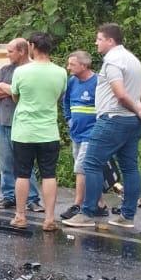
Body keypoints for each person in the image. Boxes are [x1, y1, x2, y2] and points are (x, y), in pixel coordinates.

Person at [64, 23, 141, 229]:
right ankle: (127, 216)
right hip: (133, 121)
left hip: (113, 118)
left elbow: (120, 94)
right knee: (130, 167)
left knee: (91, 163)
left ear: (110, 41)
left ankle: (87, 213)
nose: (96, 43)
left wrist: (138, 109)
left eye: (99, 39)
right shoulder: (133, 60)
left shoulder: (112, 61)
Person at [8, 32, 68, 230]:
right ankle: (49, 218)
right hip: (49, 131)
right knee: (49, 174)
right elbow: (59, 96)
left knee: (22, 174)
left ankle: (20, 216)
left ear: (32, 46)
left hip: (24, 131)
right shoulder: (61, 72)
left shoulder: (21, 72)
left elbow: (15, 96)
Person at [0, 38, 41, 212]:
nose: (7, 54)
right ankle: (8, 197)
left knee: (25, 163)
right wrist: (10, 91)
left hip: (23, 124)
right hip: (2, 122)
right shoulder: (5, 69)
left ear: (22, 51)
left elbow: (27, 93)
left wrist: (5, 88)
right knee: (5, 163)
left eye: (10, 51)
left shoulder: (33, 70)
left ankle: (32, 199)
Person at [61, 50, 98, 218]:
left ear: (84, 65)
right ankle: (100, 203)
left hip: (92, 133)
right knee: (86, 168)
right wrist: (68, 118)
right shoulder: (72, 82)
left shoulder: (98, 82)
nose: (68, 68)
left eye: (72, 64)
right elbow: (66, 101)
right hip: (76, 131)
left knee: (81, 168)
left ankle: (78, 204)